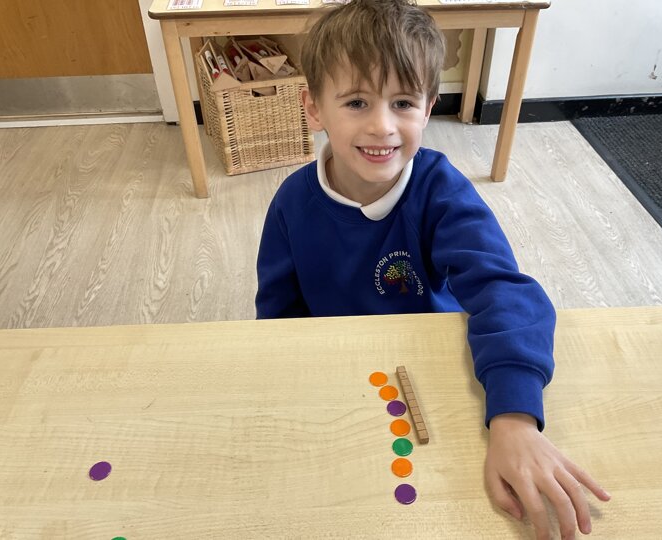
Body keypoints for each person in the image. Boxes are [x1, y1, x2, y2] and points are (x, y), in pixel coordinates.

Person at [255, 0, 610, 537]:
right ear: (314, 108)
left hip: (437, 375)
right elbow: (276, 324)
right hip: (338, 385)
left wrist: (514, 418)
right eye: (356, 102)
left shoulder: (441, 191)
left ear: (428, 108)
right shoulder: (290, 205)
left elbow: (506, 293)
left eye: (402, 102)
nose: (382, 126)